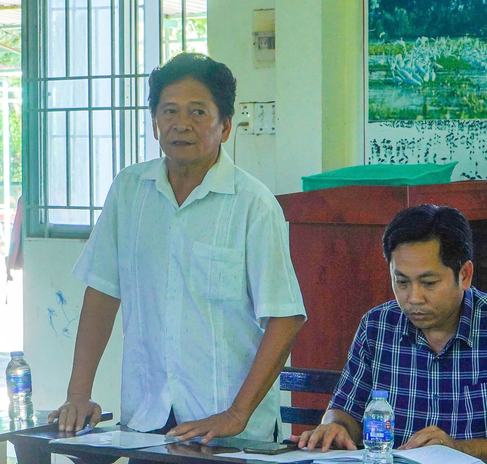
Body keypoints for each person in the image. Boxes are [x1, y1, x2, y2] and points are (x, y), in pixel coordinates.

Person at [49, 52, 306, 444]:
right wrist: (78, 394)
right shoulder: (129, 191)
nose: (181, 124)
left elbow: (285, 317)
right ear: (155, 124)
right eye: (168, 111)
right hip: (146, 418)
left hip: (229, 430)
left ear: (226, 127)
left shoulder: (252, 204)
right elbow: (102, 291)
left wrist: (236, 415)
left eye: (198, 112)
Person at [295, 204, 487, 464]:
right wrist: (334, 427)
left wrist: (458, 450)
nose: (414, 298)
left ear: (464, 275)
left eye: (429, 283)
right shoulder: (377, 325)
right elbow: (345, 412)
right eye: (402, 282)